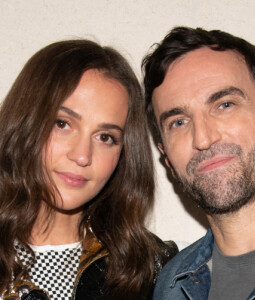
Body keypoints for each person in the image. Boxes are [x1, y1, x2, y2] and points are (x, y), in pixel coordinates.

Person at [0, 39, 177, 300]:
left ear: (123, 154)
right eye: (62, 124)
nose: (82, 155)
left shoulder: (156, 271)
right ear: (26, 124)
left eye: (105, 137)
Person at [142, 26, 255, 299]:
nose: (203, 138)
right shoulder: (170, 285)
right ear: (166, 156)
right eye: (178, 122)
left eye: (225, 105)